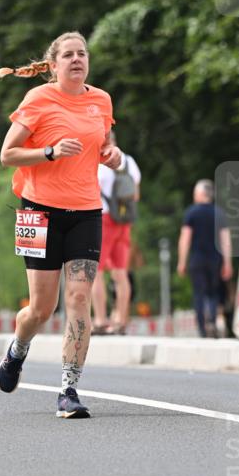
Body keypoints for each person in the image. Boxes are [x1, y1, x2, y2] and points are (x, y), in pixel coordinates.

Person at [0, 31, 122, 419]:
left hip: (86, 211)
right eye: (68, 55)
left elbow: (102, 143)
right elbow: (8, 154)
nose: (77, 59)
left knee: (79, 299)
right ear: (53, 65)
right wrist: (49, 152)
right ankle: (18, 349)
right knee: (41, 309)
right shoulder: (39, 99)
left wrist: (112, 153)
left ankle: (68, 390)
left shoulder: (101, 100)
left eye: (82, 53)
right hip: (38, 211)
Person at [91, 134, 141, 335]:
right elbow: (135, 195)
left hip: (103, 218)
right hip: (123, 220)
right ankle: (121, 320)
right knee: (121, 272)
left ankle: (101, 320)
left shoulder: (98, 164)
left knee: (96, 271)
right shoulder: (129, 161)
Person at [177, 179, 232, 338]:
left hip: (197, 259)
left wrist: (182, 261)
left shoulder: (191, 213)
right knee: (213, 293)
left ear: (201, 194)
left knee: (199, 294)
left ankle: (202, 329)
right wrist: (227, 263)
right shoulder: (219, 213)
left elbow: (185, 239)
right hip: (215, 260)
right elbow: (225, 240)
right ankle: (212, 322)